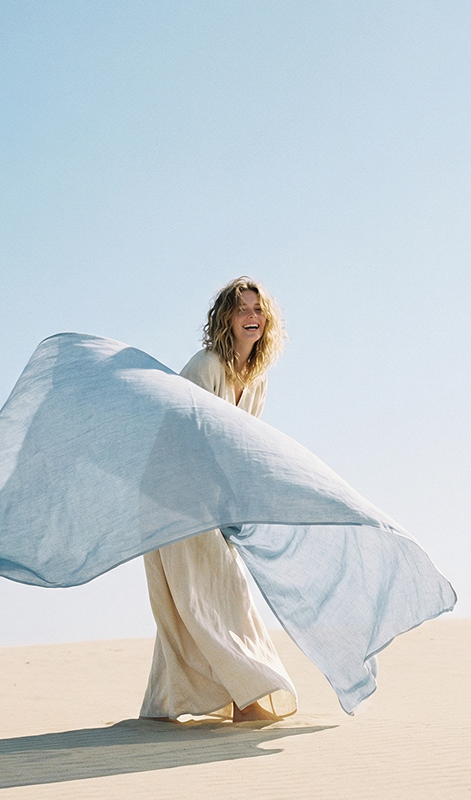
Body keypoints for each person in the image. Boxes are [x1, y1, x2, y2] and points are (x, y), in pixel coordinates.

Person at [140, 277, 297, 723]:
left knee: (199, 597)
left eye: (258, 310)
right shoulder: (207, 366)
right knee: (214, 593)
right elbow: (182, 438)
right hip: (171, 497)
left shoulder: (258, 379)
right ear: (226, 318)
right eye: (243, 309)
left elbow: (242, 447)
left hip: (207, 502)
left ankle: (171, 705)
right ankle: (249, 697)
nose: (252, 317)